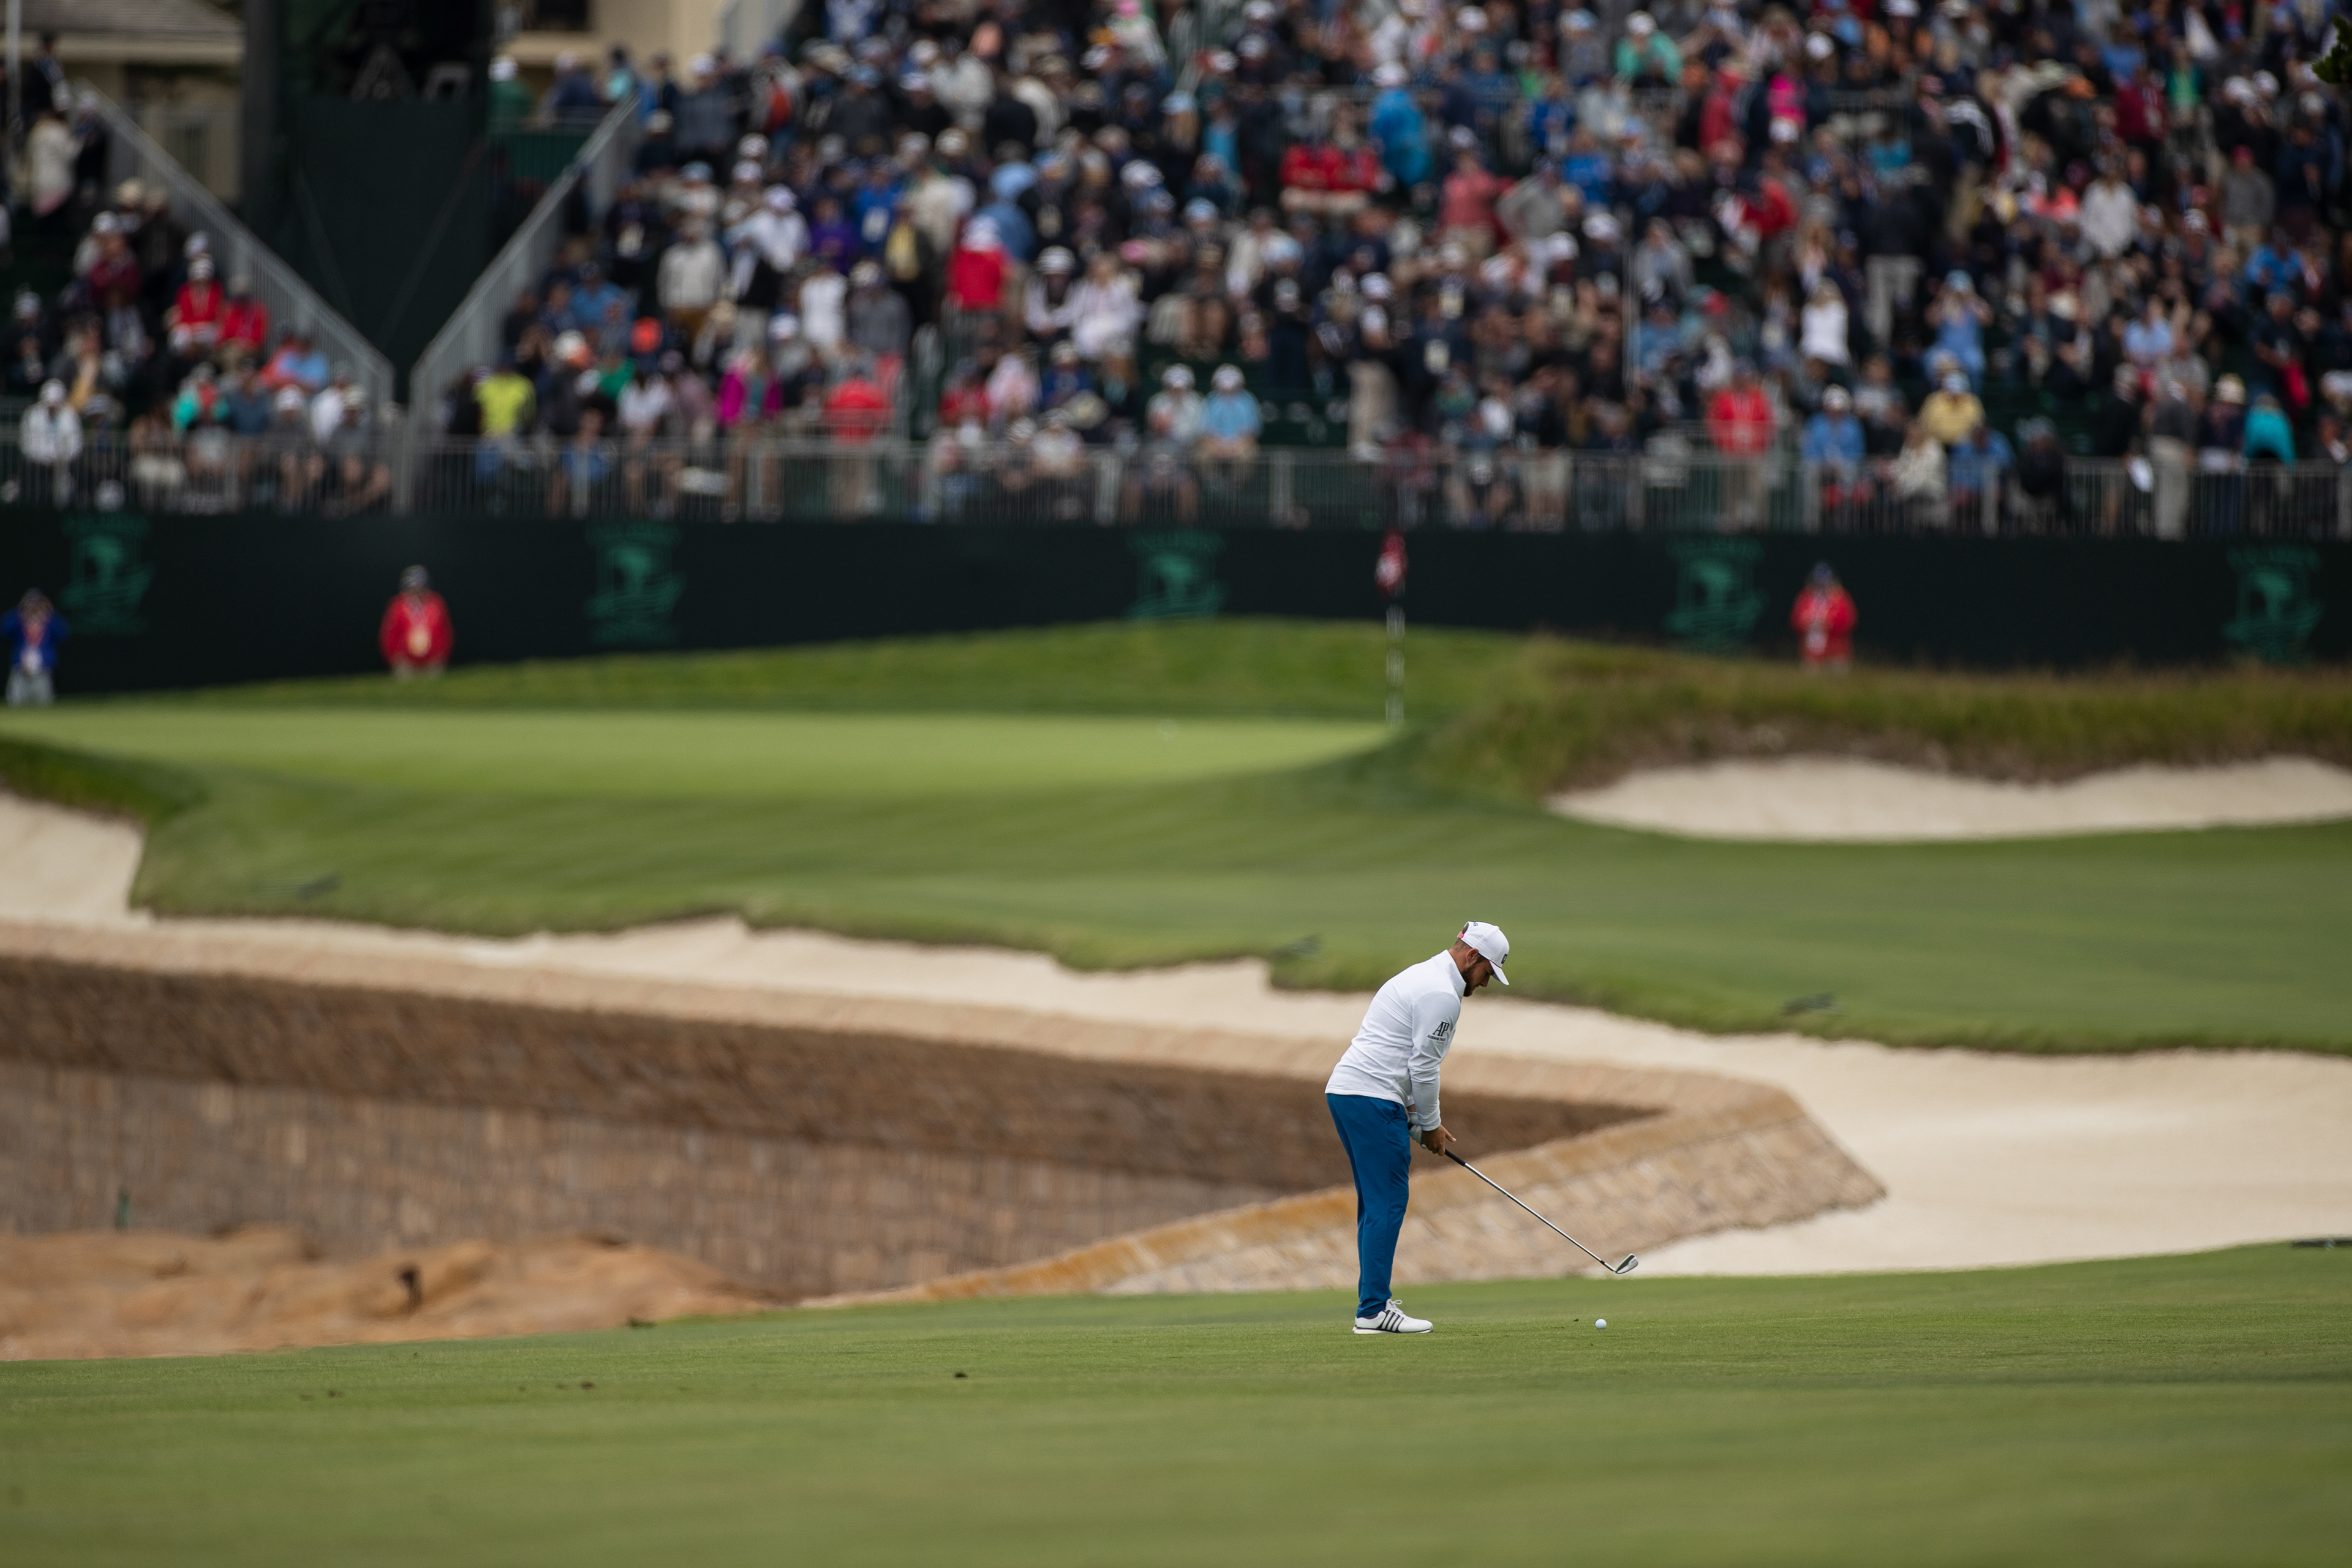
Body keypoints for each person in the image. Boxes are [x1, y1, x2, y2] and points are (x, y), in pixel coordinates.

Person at [1324, 921, 1511, 1335]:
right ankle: (1373, 1310)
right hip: (1371, 1098)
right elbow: (1424, 1067)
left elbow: (1403, 1054)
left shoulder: (1420, 974)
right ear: (1471, 957)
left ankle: (1373, 1303)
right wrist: (1430, 1125)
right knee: (1388, 1203)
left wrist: (1414, 1114)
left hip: (1350, 1093)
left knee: (1375, 1204)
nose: (1486, 984)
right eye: (1487, 973)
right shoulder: (1442, 995)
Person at [379, 566, 453, 679]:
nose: (417, 591)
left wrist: (441, 656)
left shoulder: (436, 603)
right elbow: (389, 635)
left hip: (433, 662)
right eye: (413, 587)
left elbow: (446, 632)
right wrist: (395, 659)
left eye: (421, 587)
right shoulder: (397, 606)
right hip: (405, 663)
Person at [3, 589, 66, 706]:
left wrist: (50, 613)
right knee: (16, 705)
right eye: (30, 603)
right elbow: (4, 628)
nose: (33, 607)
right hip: (20, 671)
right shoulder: (19, 622)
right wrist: (20, 610)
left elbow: (64, 633)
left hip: (42, 672)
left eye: (37, 604)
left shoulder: (49, 623)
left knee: (43, 706)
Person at [1790, 563, 1856, 671]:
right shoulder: (1805, 597)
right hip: (1811, 654)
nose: (1822, 584)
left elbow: (1848, 621)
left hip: (1836, 653)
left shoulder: (1840, 597)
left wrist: (1828, 623)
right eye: (1818, 580)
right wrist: (1806, 623)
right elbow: (1796, 620)